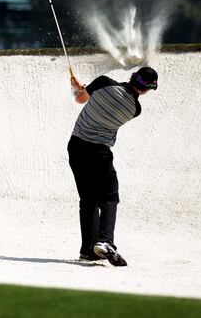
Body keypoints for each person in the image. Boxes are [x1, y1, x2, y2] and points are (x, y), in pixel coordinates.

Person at [67, 66, 158, 266]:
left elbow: (82, 99)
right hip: (99, 152)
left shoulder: (103, 82)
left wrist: (79, 90)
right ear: (146, 90)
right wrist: (84, 89)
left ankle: (88, 251)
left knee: (88, 199)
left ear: (132, 77)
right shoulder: (135, 110)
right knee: (109, 196)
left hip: (76, 147)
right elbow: (108, 98)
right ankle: (105, 241)